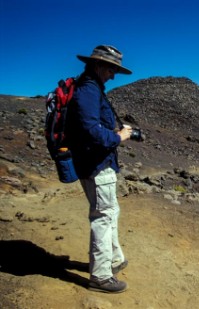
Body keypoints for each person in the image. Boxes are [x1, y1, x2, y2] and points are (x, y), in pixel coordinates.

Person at [66, 45, 133, 293]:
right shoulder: (88, 91)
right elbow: (91, 131)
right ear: (97, 65)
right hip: (96, 165)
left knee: (110, 211)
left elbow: (92, 127)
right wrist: (119, 137)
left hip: (96, 164)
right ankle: (101, 277)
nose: (113, 75)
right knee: (103, 217)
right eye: (111, 69)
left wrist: (115, 134)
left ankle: (113, 260)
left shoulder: (90, 89)